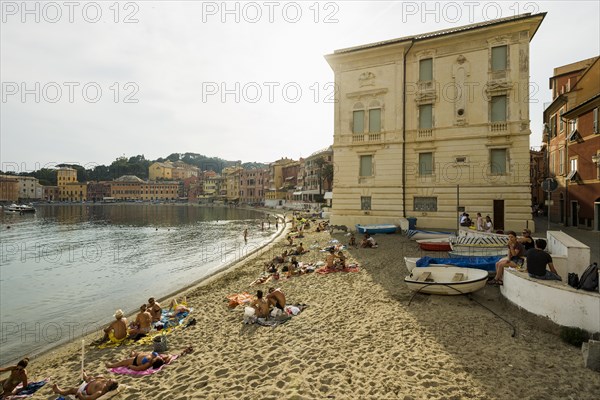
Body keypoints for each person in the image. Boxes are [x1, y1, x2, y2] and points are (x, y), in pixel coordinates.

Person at [104, 347, 191, 371]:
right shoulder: (159, 358)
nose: (155, 358)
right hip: (141, 355)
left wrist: (130, 366)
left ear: (153, 362)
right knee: (138, 353)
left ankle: (111, 365)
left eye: (154, 359)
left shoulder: (147, 364)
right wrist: (183, 352)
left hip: (135, 361)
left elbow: (139, 368)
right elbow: (169, 356)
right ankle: (133, 353)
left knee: (123, 362)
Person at [51, 370, 118, 400]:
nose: (109, 380)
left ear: (110, 386)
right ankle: (86, 377)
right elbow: (101, 378)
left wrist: (80, 394)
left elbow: (88, 398)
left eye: (110, 381)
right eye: (110, 379)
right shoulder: (106, 382)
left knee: (72, 389)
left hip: (85, 389)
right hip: (91, 382)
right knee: (93, 377)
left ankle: (60, 391)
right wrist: (97, 378)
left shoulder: (99, 392)